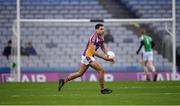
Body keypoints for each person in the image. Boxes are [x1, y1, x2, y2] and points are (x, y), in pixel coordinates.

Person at [58, 24, 114, 94]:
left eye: (103, 29)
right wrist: (104, 58)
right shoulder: (93, 38)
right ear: (96, 30)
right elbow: (94, 51)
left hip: (88, 56)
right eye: (101, 29)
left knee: (80, 73)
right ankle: (103, 89)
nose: (103, 30)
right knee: (101, 70)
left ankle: (63, 81)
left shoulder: (101, 36)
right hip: (88, 56)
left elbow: (102, 46)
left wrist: (107, 54)